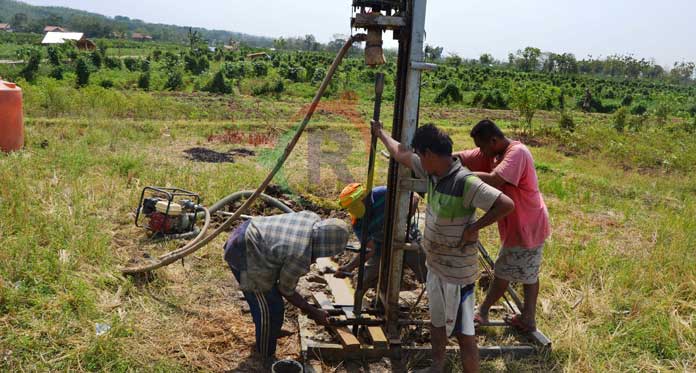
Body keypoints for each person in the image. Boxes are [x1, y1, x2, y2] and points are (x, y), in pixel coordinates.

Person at [372, 121, 515, 373]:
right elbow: (401, 153)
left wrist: (474, 228)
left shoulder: (465, 181)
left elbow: (505, 204)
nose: (416, 158)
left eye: (419, 154)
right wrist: (381, 133)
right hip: (436, 267)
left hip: (457, 275)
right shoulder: (431, 172)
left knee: (463, 334)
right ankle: (437, 367)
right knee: (437, 323)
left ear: (428, 153)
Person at [454, 119, 550, 333]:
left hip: (527, 223)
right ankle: (528, 318)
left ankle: (484, 311)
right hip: (520, 223)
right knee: (528, 273)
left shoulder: (517, 153)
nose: (481, 151)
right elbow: (465, 156)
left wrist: (461, 177)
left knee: (504, 271)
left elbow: (495, 181)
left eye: (482, 146)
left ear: (494, 140)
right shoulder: (494, 152)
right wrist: (449, 159)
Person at [223, 211, 350, 364]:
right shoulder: (299, 255)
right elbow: (285, 289)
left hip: (248, 229)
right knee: (268, 309)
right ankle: (264, 355)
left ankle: (270, 331)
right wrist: (313, 311)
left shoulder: (311, 218)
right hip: (244, 250)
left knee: (273, 305)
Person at [335, 183, 427, 288]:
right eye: (350, 208)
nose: (353, 210)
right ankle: (370, 296)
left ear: (366, 196)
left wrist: (401, 222)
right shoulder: (358, 223)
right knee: (364, 281)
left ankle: (433, 294)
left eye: (355, 205)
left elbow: (414, 197)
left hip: (406, 238)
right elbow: (370, 249)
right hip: (380, 246)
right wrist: (348, 267)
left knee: (425, 271)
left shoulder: (382, 193)